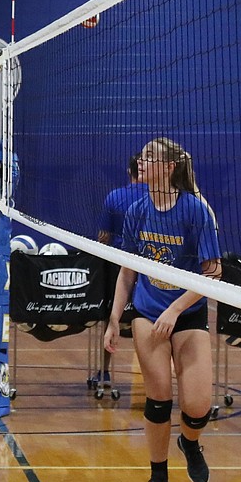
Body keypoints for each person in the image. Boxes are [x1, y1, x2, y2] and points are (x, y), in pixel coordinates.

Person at [103, 137, 221, 482]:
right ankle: (158, 476)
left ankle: (190, 441)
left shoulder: (195, 210)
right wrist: (113, 319)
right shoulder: (137, 210)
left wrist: (175, 310)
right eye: (141, 156)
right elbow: (127, 271)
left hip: (186, 313)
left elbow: (212, 272)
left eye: (149, 158)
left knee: (198, 406)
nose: (140, 161)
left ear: (168, 167)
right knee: (158, 399)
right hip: (148, 312)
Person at [95, 153, 148, 384]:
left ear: (129, 172)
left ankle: (104, 372)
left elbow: (104, 237)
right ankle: (152, 373)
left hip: (118, 266)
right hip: (150, 267)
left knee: (111, 315)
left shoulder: (115, 197)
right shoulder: (157, 200)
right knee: (149, 318)